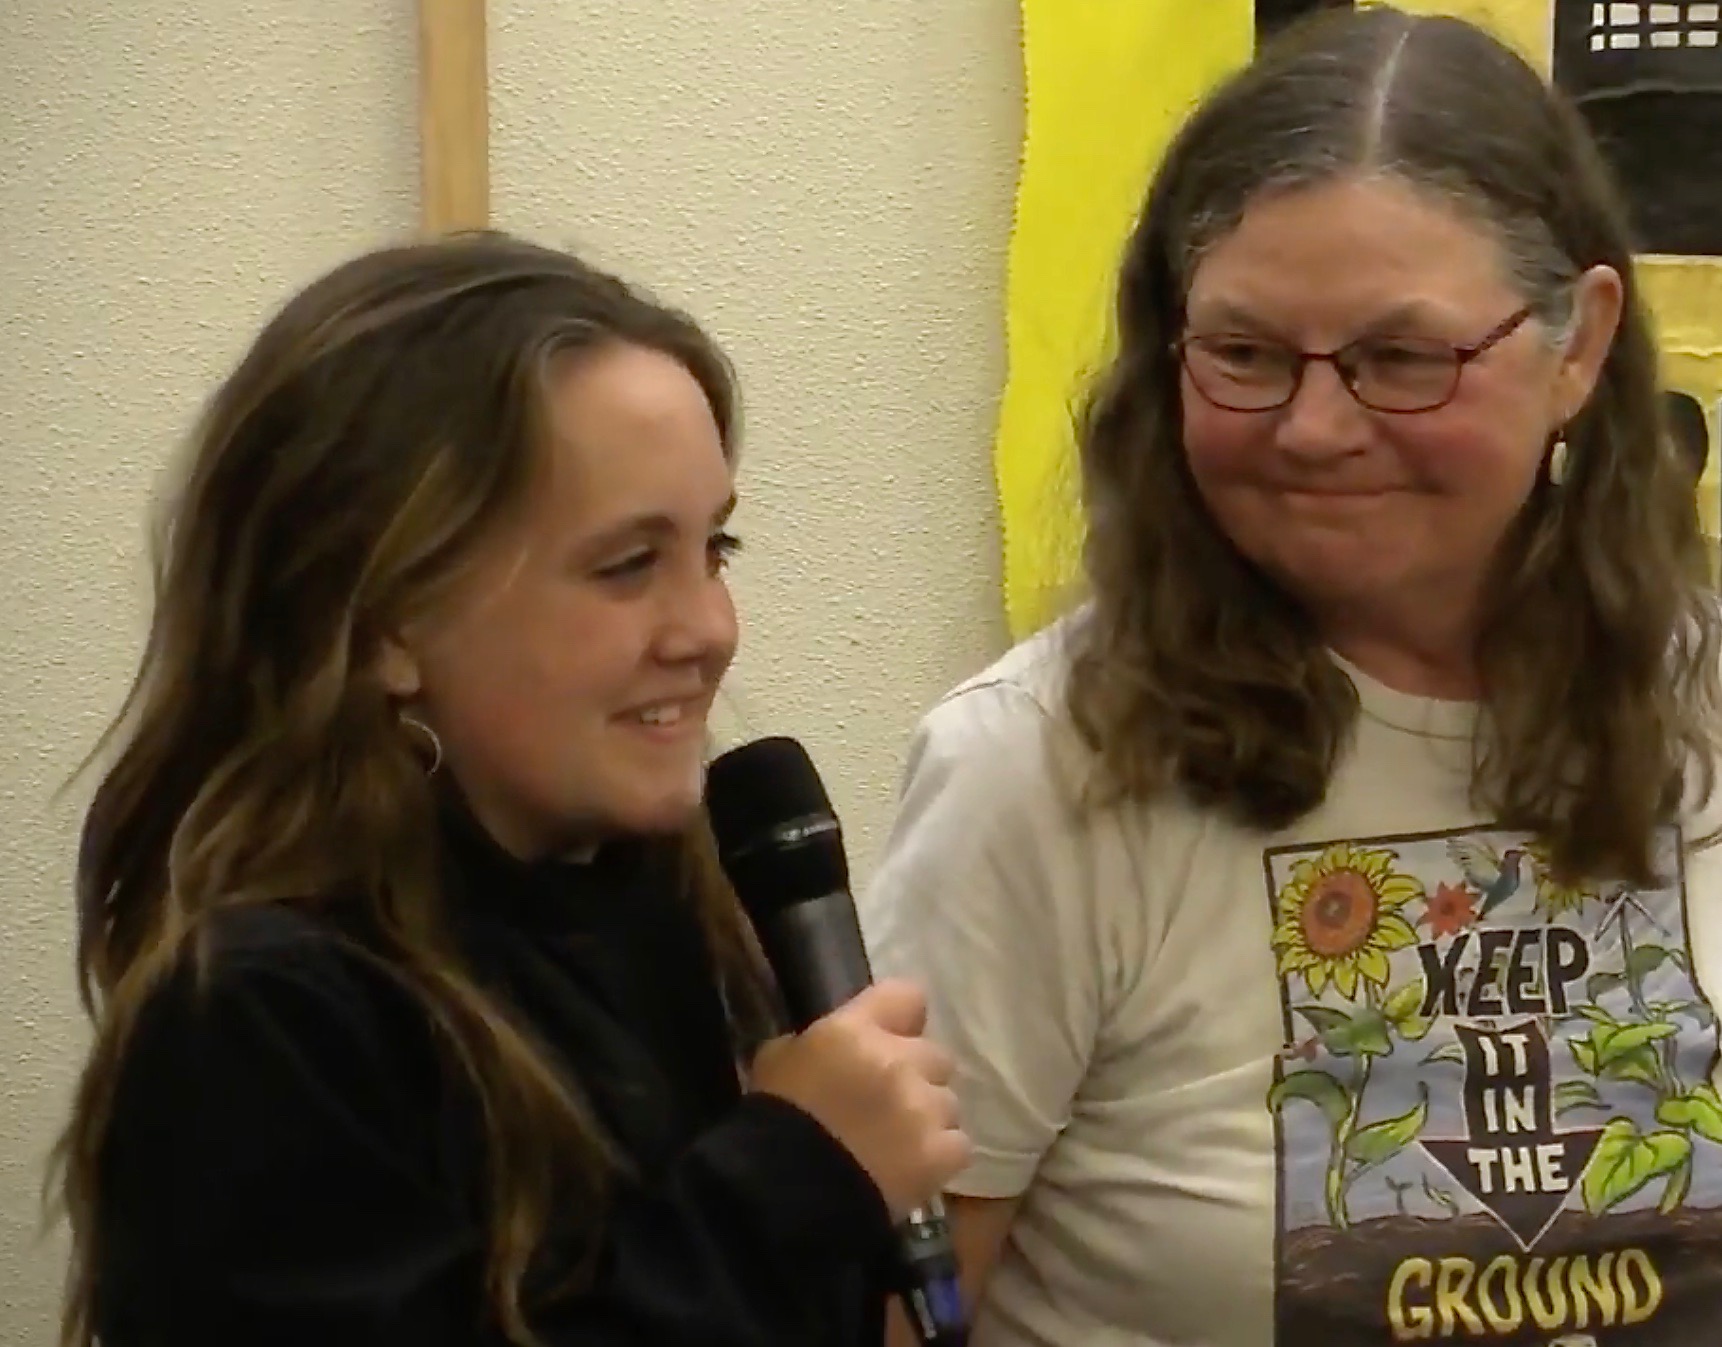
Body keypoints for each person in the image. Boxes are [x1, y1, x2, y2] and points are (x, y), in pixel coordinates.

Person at [860, 8, 1722, 1346]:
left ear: (1578, 345)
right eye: (1246, 355)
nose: (1315, 428)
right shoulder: (1037, 770)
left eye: (1401, 359)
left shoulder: (1698, 698)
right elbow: (894, 1310)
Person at [50, 231, 969, 1347]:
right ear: (385, 618)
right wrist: (791, 1181)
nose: (709, 629)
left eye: (715, 550)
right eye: (628, 565)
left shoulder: (661, 908)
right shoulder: (260, 1022)